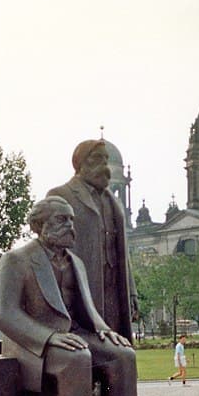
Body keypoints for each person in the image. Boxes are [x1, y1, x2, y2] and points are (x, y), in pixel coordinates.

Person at [0, 196, 155, 396]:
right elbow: (3, 314)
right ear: (38, 225)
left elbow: (83, 310)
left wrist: (103, 330)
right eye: (61, 219)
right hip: (31, 342)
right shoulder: (15, 260)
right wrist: (49, 337)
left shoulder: (75, 262)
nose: (70, 225)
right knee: (77, 358)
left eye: (71, 220)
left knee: (123, 355)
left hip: (72, 335)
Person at [46, 140, 138, 342]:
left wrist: (131, 292)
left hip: (113, 292)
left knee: (116, 347)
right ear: (80, 163)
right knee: (89, 349)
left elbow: (122, 251)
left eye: (106, 159)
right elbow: (49, 247)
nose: (104, 166)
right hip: (81, 290)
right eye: (98, 159)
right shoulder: (61, 195)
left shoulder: (113, 202)